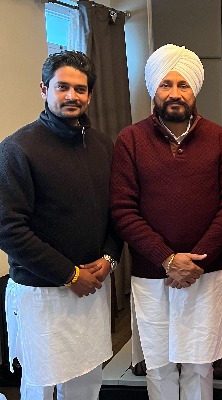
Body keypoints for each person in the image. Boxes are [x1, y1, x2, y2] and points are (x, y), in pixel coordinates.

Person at [110, 44, 222, 400]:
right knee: (159, 366)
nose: (174, 93)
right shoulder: (130, 140)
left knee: (201, 366)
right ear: (154, 90)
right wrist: (167, 259)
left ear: (194, 90)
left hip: (207, 273)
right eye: (166, 84)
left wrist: (196, 260)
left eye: (183, 85)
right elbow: (123, 210)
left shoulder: (219, 139)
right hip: (152, 274)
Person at [0, 50, 122, 400]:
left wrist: (110, 258)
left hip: (92, 289)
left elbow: (118, 212)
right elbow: (8, 228)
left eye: (80, 89)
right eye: (62, 87)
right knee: (41, 387)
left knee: (86, 383)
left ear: (90, 95)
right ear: (44, 89)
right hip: (42, 293)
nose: (72, 96)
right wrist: (69, 274)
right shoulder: (17, 149)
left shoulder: (103, 145)